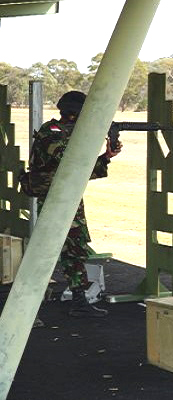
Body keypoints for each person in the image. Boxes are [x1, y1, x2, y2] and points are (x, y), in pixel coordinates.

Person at [25, 90, 121, 318]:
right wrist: (91, 136)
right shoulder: (51, 132)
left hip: (68, 197)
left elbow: (79, 170)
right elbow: (68, 161)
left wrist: (106, 157)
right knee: (45, 251)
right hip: (53, 199)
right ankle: (28, 306)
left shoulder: (70, 134)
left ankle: (79, 300)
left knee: (75, 250)